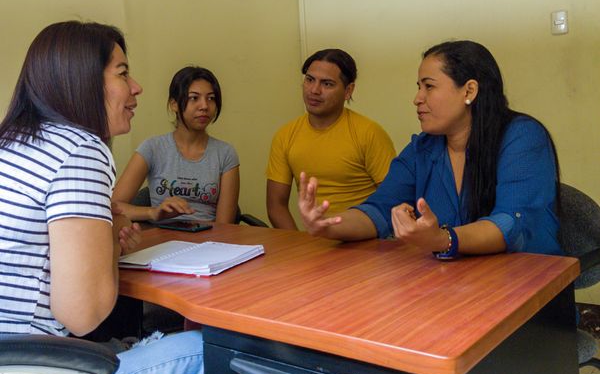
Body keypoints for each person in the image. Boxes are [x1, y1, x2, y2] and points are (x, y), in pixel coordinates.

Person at [0, 21, 205, 374]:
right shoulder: (80, 149)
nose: (136, 87)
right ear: (82, 81)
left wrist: (105, 237)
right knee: (204, 358)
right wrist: (109, 240)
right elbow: (83, 314)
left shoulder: (11, 141)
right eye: (123, 73)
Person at [298, 40, 562, 257]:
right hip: (455, 284)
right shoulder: (423, 147)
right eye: (418, 87)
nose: (417, 98)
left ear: (469, 91)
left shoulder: (522, 136)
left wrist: (442, 239)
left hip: (528, 287)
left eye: (429, 86)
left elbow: (511, 223)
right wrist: (328, 225)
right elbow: (379, 210)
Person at [267, 48, 396, 230]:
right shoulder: (285, 135)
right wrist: (299, 241)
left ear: (348, 90)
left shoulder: (369, 133)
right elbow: (276, 206)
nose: (314, 90)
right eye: (309, 80)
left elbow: (394, 199)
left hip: (364, 237)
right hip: (313, 239)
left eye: (327, 84)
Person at [112, 66, 239, 224]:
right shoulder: (152, 148)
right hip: (161, 236)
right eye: (194, 98)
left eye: (211, 98)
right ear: (174, 104)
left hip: (210, 236)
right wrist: (153, 212)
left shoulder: (225, 154)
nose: (204, 106)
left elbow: (225, 226)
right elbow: (114, 206)